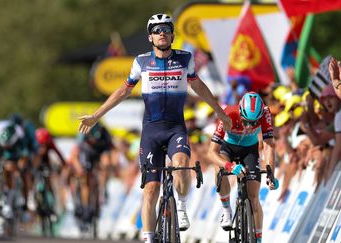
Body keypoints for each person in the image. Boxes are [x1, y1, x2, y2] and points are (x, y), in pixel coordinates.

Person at [79, 13, 232, 243]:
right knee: (150, 190)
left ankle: (180, 207)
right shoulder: (141, 61)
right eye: (157, 30)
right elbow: (123, 91)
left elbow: (199, 87)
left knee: (181, 164)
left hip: (175, 128)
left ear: (172, 35)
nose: (162, 33)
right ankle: (149, 238)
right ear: (150, 36)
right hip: (151, 131)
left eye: (166, 29)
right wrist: (96, 115)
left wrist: (220, 112)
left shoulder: (185, 58)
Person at [207, 92, 278, 243]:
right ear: (240, 113)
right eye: (246, 122)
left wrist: (271, 173)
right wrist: (229, 166)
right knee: (220, 170)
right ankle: (226, 209)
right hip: (228, 148)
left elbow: (269, 145)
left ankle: (258, 239)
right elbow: (211, 153)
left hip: (249, 150)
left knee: (254, 197)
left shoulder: (265, 114)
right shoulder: (229, 113)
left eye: (254, 123)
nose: (249, 127)